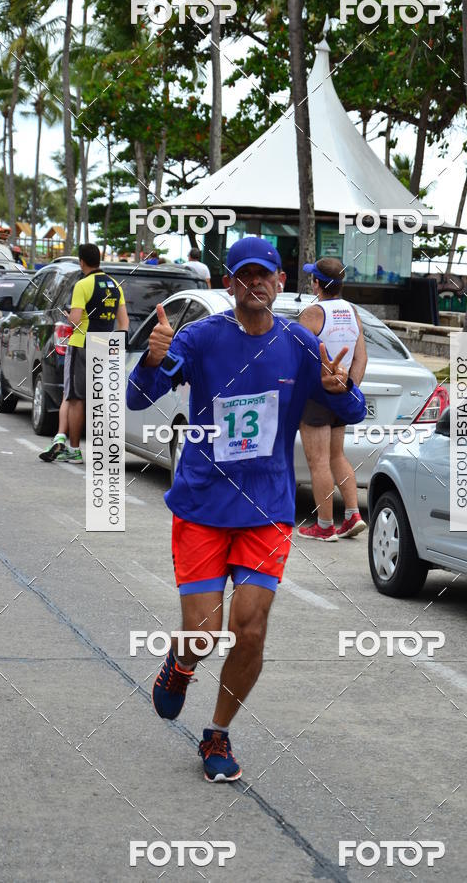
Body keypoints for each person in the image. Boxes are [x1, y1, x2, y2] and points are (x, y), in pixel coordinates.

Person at [126, 236, 366, 782]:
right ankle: (183, 661)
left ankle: (218, 734)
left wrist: (341, 388)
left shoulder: (299, 343)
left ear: (281, 282)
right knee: (206, 632)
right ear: (230, 284)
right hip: (203, 503)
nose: (255, 283)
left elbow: (350, 405)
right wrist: (153, 357)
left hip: (268, 508)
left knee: (251, 629)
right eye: (244, 275)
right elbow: (139, 397)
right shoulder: (201, 337)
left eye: (265, 275)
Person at [296, 257, 368, 541]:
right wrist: (349, 389)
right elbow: (361, 356)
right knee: (337, 454)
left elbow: (297, 358)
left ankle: (325, 525)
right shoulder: (352, 312)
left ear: (316, 283)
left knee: (318, 462)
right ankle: (352, 515)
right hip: (342, 393)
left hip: (315, 396)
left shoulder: (312, 313)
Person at [60, 244, 129, 464]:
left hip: (82, 343)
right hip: (105, 344)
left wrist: (67, 314)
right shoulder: (115, 285)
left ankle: (74, 450)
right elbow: (124, 322)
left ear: (81, 262)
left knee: (76, 398)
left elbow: (76, 319)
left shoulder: (82, 284)